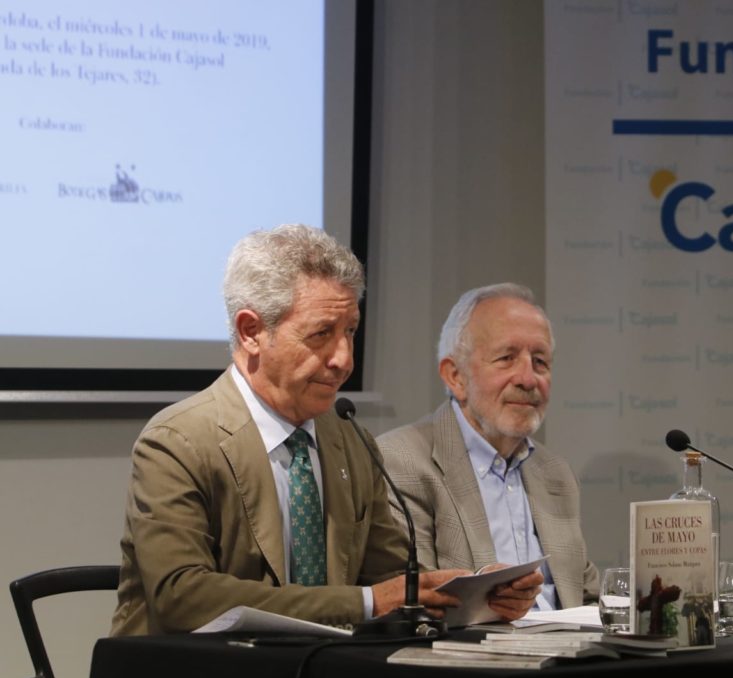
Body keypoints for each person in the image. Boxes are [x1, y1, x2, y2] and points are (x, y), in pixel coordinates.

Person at [110, 225, 538, 635]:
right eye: (321, 334)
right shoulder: (179, 442)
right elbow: (183, 596)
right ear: (251, 331)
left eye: (350, 331)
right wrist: (365, 603)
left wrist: (475, 593)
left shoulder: (349, 440)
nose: (344, 359)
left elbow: (391, 578)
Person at [377, 283, 599, 614]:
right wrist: (495, 599)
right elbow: (416, 602)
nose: (528, 378)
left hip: (568, 659)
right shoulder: (402, 462)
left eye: (540, 361)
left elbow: (588, 596)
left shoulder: (556, 473)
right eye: (507, 358)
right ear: (456, 377)